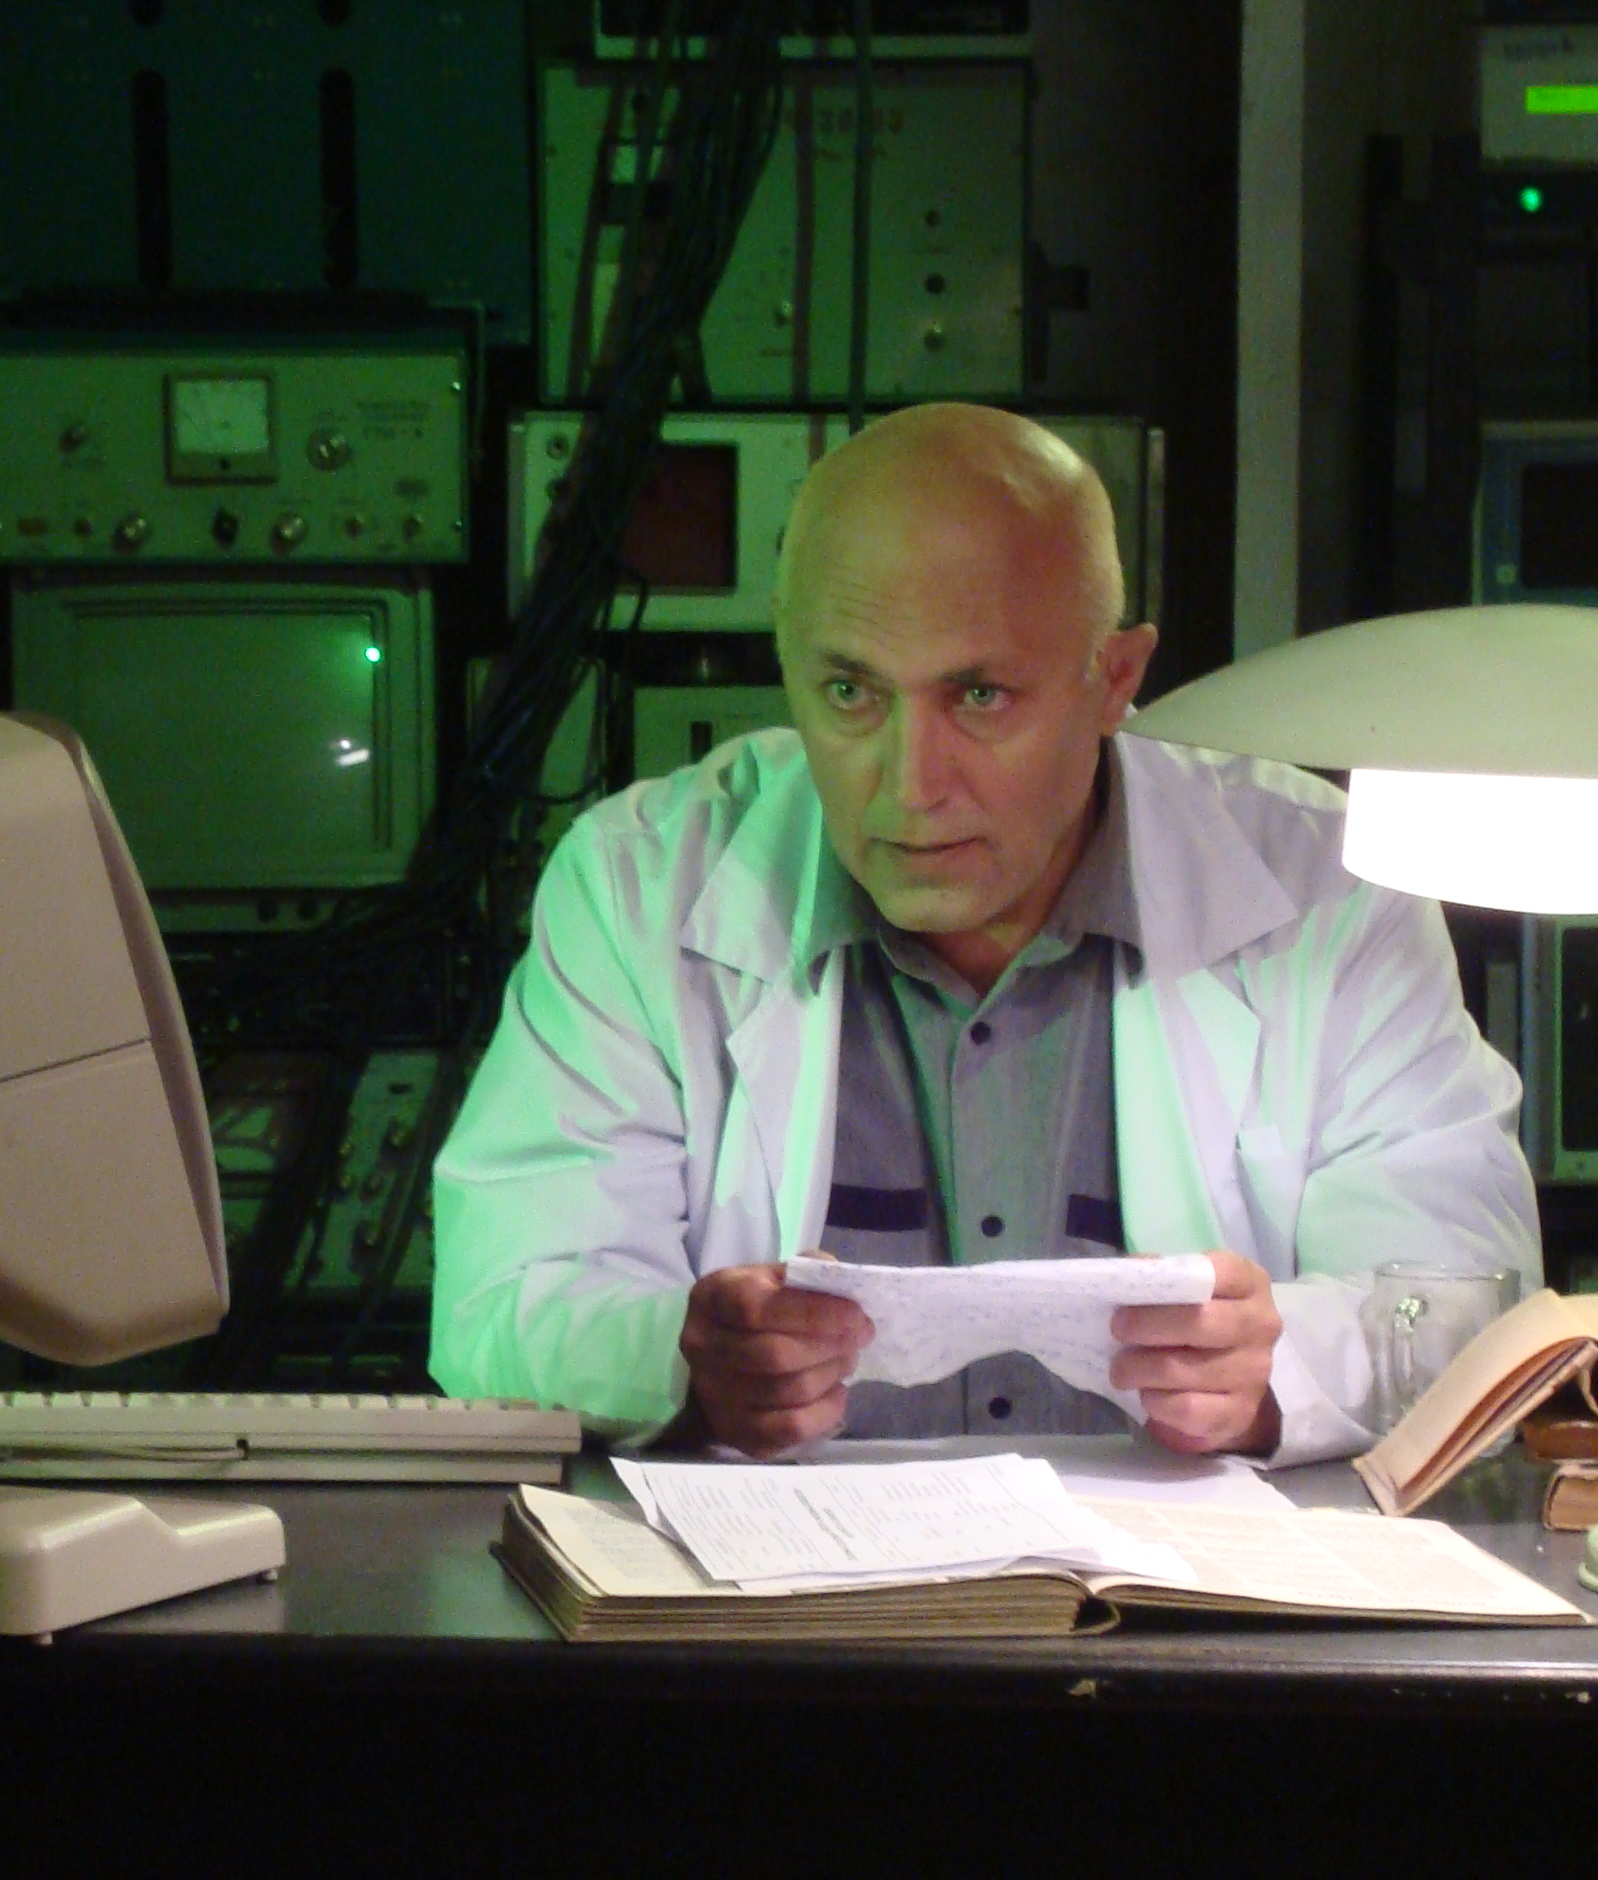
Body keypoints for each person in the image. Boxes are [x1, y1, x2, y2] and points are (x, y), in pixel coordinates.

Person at [432, 401, 1538, 1461]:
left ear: (1114, 679)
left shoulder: (1327, 888)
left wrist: (1279, 1368)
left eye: (980, 698)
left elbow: (1472, 1306)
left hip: (1176, 1589)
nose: (910, 786)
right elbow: (500, 1303)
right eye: (851, 693)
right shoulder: (636, 884)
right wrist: (676, 1360)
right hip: (777, 1581)